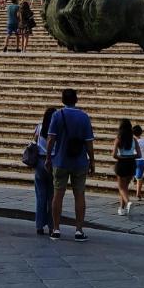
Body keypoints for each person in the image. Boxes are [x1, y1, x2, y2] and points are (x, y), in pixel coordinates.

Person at [46, 88, 95, 241]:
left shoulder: (57, 115)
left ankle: (56, 229)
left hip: (60, 160)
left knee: (57, 194)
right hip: (79, 161)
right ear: (76, 99)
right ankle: (79, 230)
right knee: (79, 195)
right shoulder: (84, 117)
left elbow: (51, 139)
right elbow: (89, 142)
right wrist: (92, 160)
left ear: (62, 100)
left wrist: (48, 157)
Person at [32, 106, 55, 234]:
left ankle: (39, 226)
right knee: (52, 196)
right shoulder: (58, 129)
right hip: (53, 161)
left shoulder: (39, 127)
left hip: (40, 162)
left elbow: (33, 142)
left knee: (40, 196)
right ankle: (52, 226)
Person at [112, 119, 137, 217]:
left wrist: (122, 157)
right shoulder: (134, 139)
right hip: (131, 164)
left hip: (122, 164)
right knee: (125, 187)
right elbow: (138, 154)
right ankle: (122, 208)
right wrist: (130, 156)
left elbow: (114, 155)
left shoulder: (118, 138)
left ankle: (128, 202)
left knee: (121, 188)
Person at [132, 124, 144, 201]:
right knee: (140, 177)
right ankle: (138, 193)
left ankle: (134, 176)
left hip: (133, 159)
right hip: (142, 160)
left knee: (134, 172)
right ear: (141, 132)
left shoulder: (132, 141)